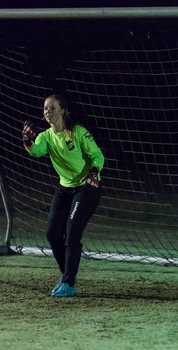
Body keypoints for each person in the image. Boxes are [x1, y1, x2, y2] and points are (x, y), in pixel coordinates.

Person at [22, 94, 105, 298]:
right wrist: (28, 141)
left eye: (52, 108)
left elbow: (98, 155)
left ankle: (69, 283)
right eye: (45, 109)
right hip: (64, 189)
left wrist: (94, 173)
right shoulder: (46, 137)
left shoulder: (77, 132)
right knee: (52, 234)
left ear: (62, 111)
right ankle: (67, 275)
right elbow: (37, 151)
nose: (47, 112)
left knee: (72, 234)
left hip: (86, 188)